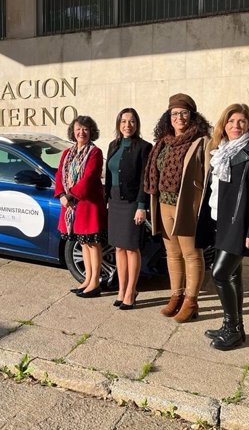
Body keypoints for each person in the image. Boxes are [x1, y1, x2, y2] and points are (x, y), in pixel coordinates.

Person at [196, 104, 249, 350]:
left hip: (239, 226)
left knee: (219, 274)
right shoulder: (220, 152)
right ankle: (234, 327)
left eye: (241, 121)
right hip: (220, 221)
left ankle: (232, 328)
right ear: (223, 124)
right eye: (231, 121)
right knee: (233, 274)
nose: (235, 126)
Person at [144, 93, 211, 322]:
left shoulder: (201, 142)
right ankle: (176, 296)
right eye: (174, 113)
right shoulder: (163, 142)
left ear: (192, 116)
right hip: (164, 204)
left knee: (191, 254)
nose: (179, 117)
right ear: (168, 116)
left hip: (187, 207)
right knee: (172, 254)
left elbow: (208, 177)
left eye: (184, 113)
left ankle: (191, 302)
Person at [55, 115, 107, 298]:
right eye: (78, 128)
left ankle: (95, 282)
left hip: (88, 205)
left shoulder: (95, 152)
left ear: (91, 131)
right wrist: (61, 194)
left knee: (93, 243)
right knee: (83, 244)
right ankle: (87, 280)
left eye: (85, 129)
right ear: (73, 131)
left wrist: (71, 195)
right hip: (71, 206)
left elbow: (90, 177)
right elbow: (60, 174)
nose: (81, 132)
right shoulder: (67, 153)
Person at [105, 108, 152, 310]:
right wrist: (107, 198)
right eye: (123, 121)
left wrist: (142, 206)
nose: (127, 125)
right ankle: (121, 290)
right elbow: (109, 175)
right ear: (118, 124)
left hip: (133, 202)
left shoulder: (144, 147)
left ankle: (131, 291)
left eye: (131, 121)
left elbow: (145, 179)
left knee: (132, 247)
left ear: (137, 124)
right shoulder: (113, 145)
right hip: (115, 201)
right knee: (119, 247)